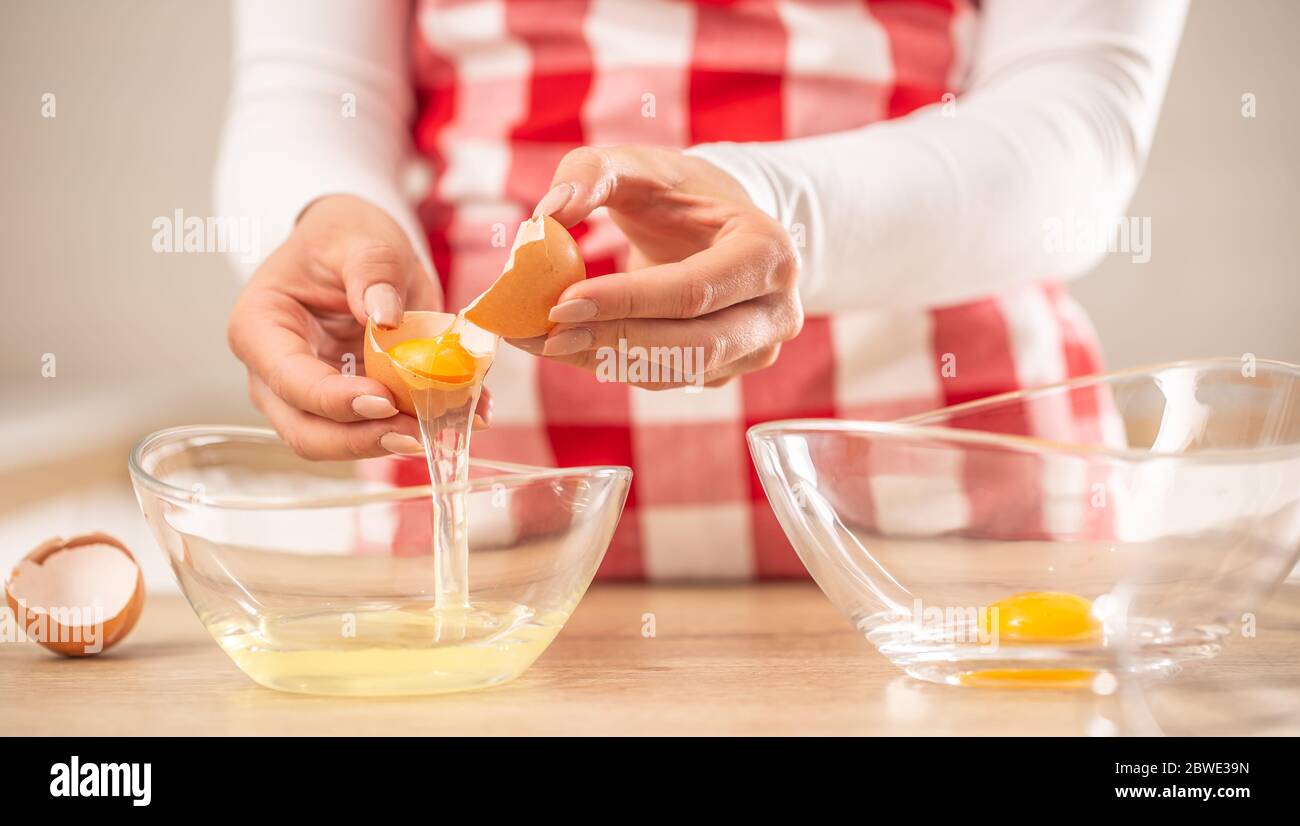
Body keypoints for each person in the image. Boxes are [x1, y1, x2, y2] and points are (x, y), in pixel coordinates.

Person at [218, 0, 1187, 579]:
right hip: (475, 540)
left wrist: (782, 210)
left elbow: (1078, 124)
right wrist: (321, 222)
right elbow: (306, 87)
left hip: (950, 532)